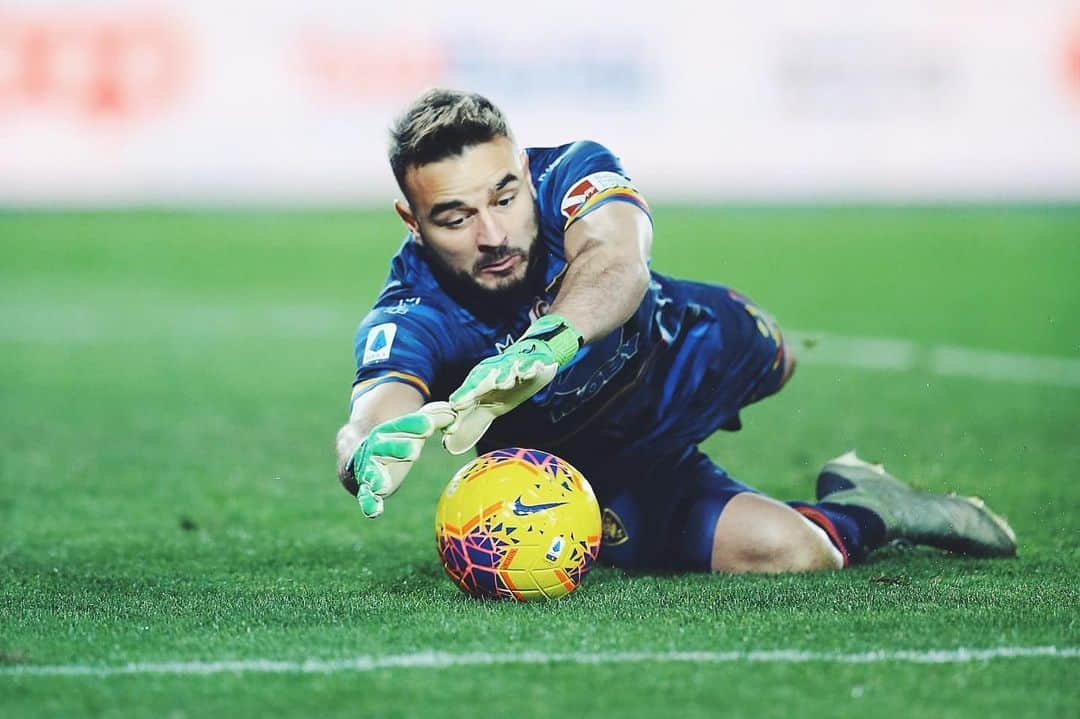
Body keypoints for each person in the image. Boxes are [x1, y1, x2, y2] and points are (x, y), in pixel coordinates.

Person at [334, 88, 1016, 573]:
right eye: (454, 217)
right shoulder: (412, 308)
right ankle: (872, 502)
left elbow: (619, 261)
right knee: (793, 553)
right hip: (607, 468)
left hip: (686, 350)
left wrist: (553, 340)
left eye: (504, 197)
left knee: (779, 354)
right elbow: (376, 406)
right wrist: (368, 451)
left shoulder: (570, 169)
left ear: (520, 163)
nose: (492, 234)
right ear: (411, 219)